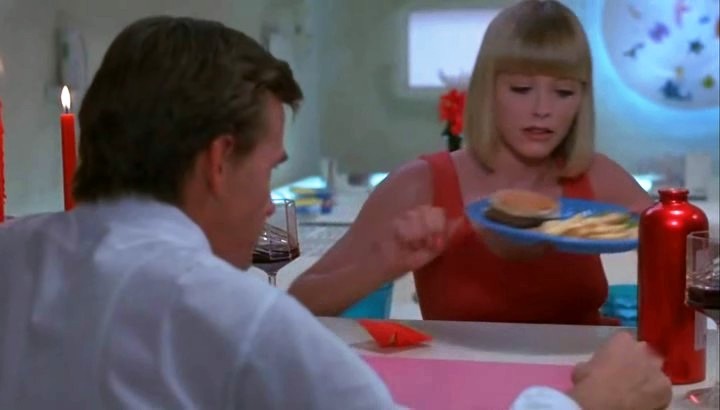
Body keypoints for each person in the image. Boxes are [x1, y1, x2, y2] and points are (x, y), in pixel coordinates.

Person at [0, 15, 670, 410]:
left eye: (563, 90)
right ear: (218, 161)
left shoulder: (15, 254)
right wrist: (585, 407)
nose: (271, 204)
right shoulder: (239, 317)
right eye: (270, 169)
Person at [289, 0, 652, 325]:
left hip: (588, 375)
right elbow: (296, 306)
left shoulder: (597, 176)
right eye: (521, 89)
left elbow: (675, 251)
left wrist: (668, 241)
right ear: (487, 90)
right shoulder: (421, 183)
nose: (542, 109)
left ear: (582, 99)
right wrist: (384, 265)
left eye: (563, 92)